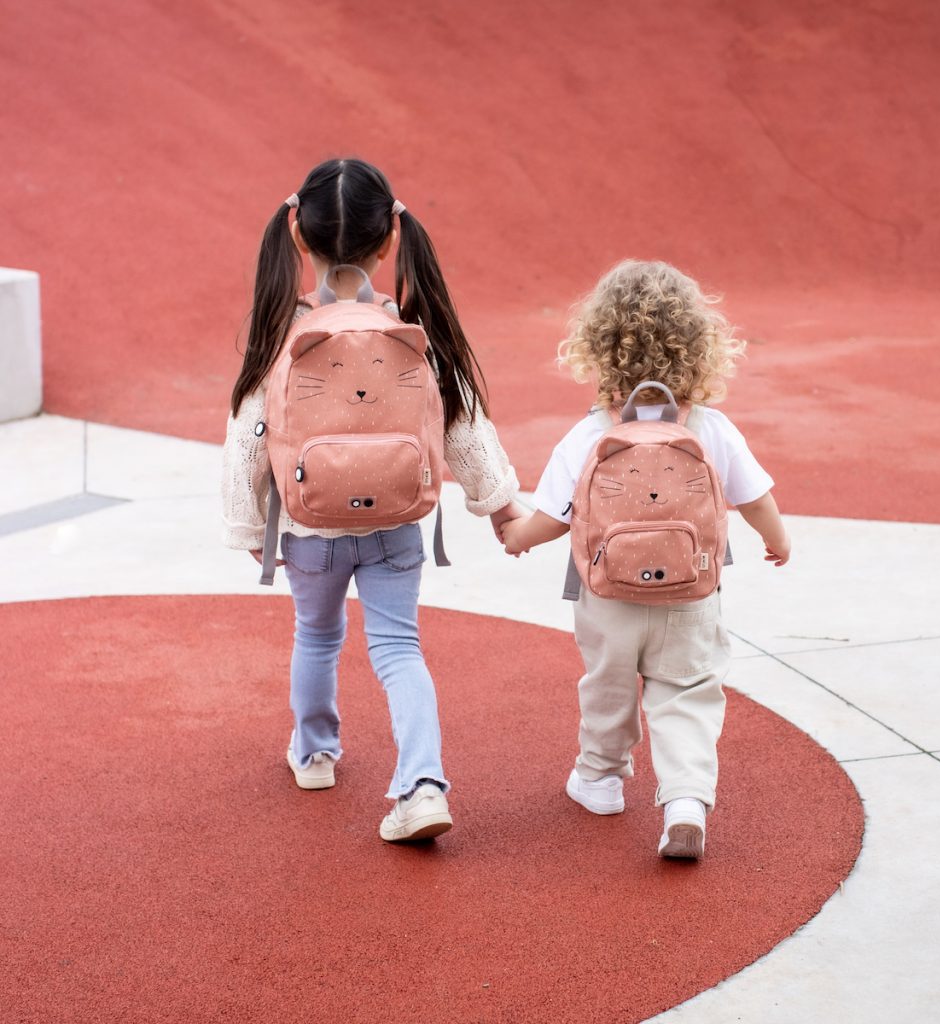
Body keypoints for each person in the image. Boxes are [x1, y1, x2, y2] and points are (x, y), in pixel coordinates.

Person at [221, 157, 522, 843]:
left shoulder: (283, 332)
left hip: (307, 525)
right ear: (391, 239)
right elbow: (462, 421)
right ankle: (421, 783)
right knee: (398, 647)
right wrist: (498, 501)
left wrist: (247, 525)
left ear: (298, 237)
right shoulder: (407, 329)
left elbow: (248, 433)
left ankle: (316, 752)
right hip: (395, 523)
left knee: (318, 636)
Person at [500, 259, 790, 859]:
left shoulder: (589, 434)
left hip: (606, 597)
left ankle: (600, 779)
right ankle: (684, 799)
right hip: (691, 592)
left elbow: (553, 519)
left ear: (598, 347)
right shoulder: (711, 428)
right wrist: (776, 537)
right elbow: (755, 497)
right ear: (699, 348)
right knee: (686, 690)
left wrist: (515, 536)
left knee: (607, 684)